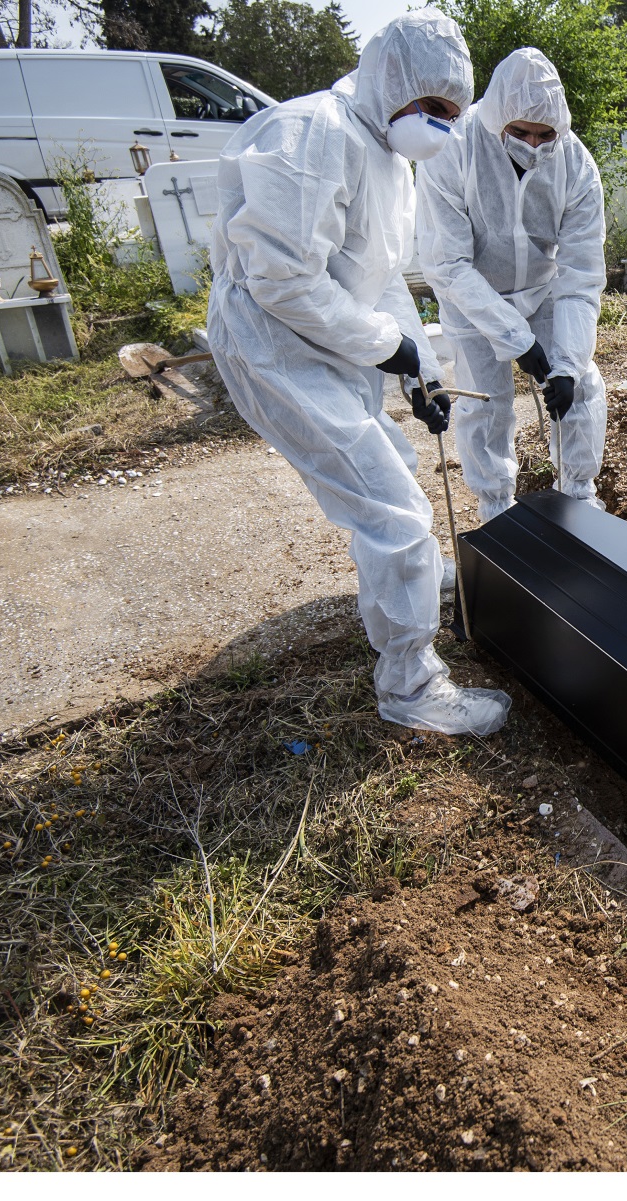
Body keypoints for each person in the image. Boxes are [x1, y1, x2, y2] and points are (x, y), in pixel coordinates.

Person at [206, 10, 510, 737]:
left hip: (328, 343)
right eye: (433, 107)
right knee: (394, 511)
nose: (441, 125)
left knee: (395, 469)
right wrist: (389, 348)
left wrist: (421, 369)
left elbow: (382, 280)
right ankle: (410, 685)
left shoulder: (388, 160)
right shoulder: (313, 134)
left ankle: (407, 585)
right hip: (277, 349)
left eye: (453, 113)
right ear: (392, 81)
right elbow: (281, 279)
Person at [417, 46, 608, 523]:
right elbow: (449, 264)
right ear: (496, 117)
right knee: (487, 406)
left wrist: (564, 363)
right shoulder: (453, 150)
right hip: (471, 296)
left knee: (579, 386)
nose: (532, 144)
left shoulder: (576, 165)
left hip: (541, 290)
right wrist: (515, 339)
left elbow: (581, 274)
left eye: (545, 135)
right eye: (519, 132)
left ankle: (579, 496)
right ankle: (496, 509)